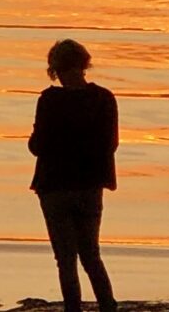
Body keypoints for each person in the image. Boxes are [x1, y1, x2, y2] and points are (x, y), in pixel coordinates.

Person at [29, 39, 119, 312]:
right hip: (90, 186)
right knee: (91, 254)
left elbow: (37, 146)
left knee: (66, 259)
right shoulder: (104, 98)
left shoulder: (49, 100)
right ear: (84, 64)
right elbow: (111, 144)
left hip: (54, 186)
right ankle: (108, 306)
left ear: (55, 69)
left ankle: (73, 309)